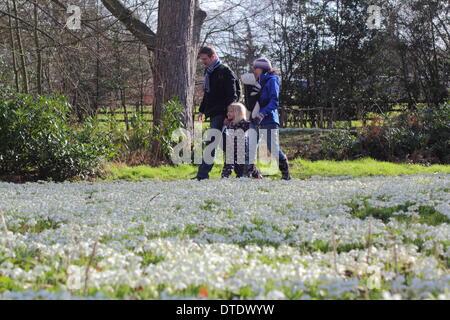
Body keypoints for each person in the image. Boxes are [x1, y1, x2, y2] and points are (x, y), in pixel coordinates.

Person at [193, 46, 240, 180]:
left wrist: (228, 116)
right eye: (201, 59)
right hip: (213, 112)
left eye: (205, 59)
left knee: (211, 142)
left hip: (222, 113)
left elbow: (233, 95)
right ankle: (243, 170)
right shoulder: (209, 72)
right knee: (227, 145)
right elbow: (208, 95)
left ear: (213, 57)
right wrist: (202, 110)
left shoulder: (225, 72)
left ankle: (202, 175)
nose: (203, 62)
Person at [249, 58, 292, 180]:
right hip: (255, 120)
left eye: (255, 68)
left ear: (262, 69)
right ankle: (249, 174)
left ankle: (286, 174)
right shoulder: (257, 82)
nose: (254, 70)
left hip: (269, 119)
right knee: (250, 146)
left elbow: (274, 101)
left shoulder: (272, 80)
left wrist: (262, 113)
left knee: (272, 148)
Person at [221, 103, 263, 179]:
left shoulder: (243, 123)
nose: (228, 113)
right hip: (231, 148)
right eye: (228, 111)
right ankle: (225, 176)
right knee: (228, 163)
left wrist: (257, 119)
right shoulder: (230, 123)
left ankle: (256, 174)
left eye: (230, 111)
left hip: (242, 149)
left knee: (246, 165)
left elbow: (252, 125)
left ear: (237, 113)